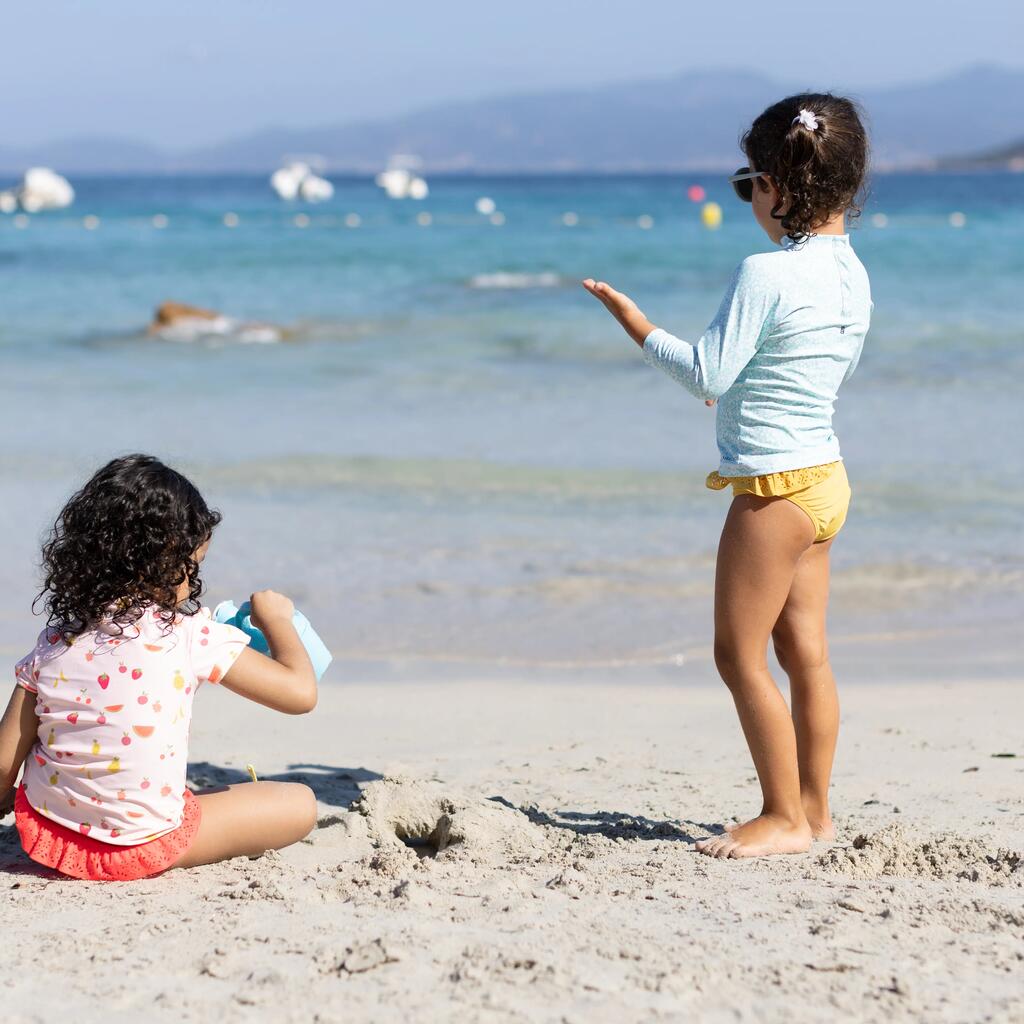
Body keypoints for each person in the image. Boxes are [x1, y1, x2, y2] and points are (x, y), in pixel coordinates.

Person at [583, 94, 871, 858]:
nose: (749, 201)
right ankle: (816, 810)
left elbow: (708, 374)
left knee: (736, 655)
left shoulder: (765, 273)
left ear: (780, 186)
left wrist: (635, 325)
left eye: (750, 185)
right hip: (827, 480)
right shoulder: (852, 273)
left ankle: (781, 816)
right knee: (806, 651)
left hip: (775, 490)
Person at [0, 454, 318, 880]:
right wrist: (277, 621)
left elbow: (5, 762)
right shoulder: (191, 635)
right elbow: (300, 694)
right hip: (142, 847)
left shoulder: (56, 641)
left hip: (51, 837)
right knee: (300, 804)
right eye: (193, 566)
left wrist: (6, 797)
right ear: (167, 562)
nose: (192, 580)